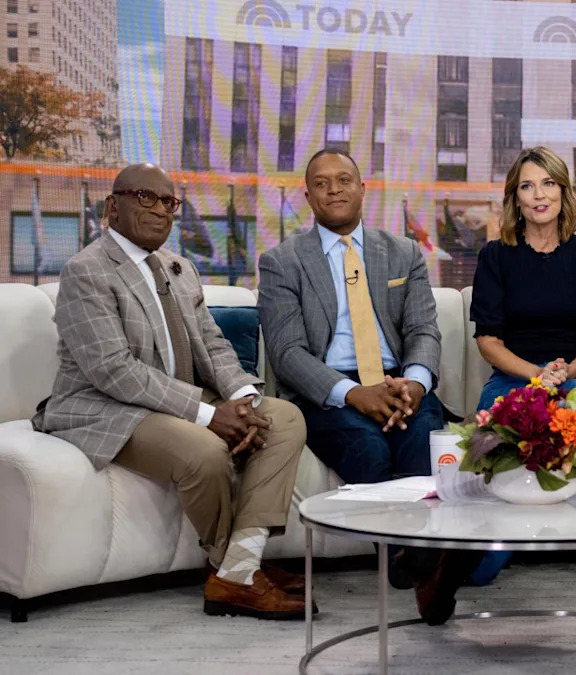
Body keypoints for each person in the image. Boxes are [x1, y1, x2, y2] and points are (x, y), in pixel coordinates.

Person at [32, 163, 309, 619]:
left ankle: (238, 569)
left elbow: (213, 345)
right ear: (112, 207)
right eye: (145, 197)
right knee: (204, 449)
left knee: (283, 419)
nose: (161, 210)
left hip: (176, 400)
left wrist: (243, 399)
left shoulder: (180, 268)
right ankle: (238, 571)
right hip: (107, 407)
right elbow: (114, 371)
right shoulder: (86, 271)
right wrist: (209, 415)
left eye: (169, 202)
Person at [257, 149, 478, 625]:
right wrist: (353, 394)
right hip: (329, 393)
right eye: (321, 183)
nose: (334, 189)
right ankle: (428, 564)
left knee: (421, 441)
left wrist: (415, 384)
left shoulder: (402, 252)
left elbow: (423, 331)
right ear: (308, 196)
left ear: (362, 188)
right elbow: (288, 353)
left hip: (399, 381)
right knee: (369, 449)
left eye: (344, 180)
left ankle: (413, 562)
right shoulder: (281, 262)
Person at [466, 146, 576, 585]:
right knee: (492, 424)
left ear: (563, 192)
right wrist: (536, 375)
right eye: (527, 186)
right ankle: (480, 554)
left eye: (549, 183)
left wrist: (571, 369)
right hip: (512, 377)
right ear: (515, 198)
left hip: (573, 375)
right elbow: (488, 341)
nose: (539, 195)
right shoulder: (495, 256)